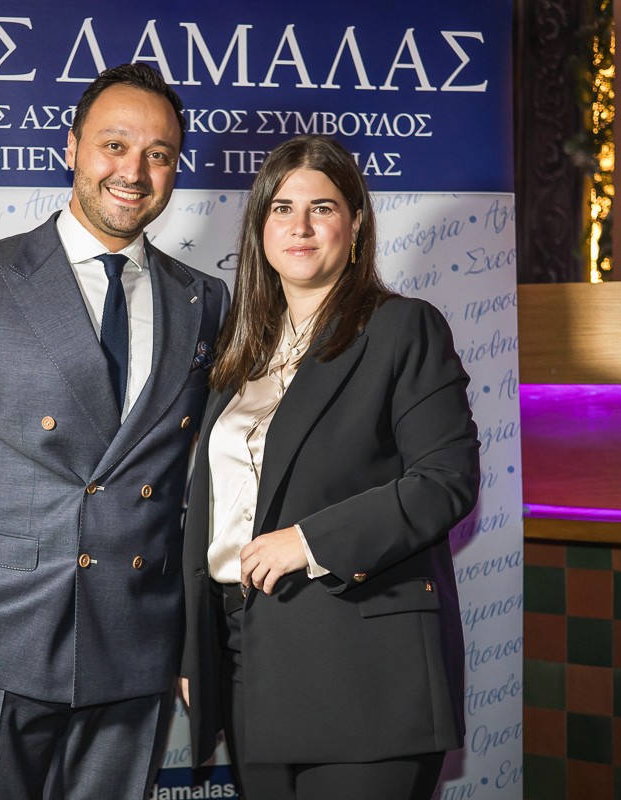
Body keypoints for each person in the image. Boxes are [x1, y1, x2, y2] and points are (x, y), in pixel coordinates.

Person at [0, 63, 229, 800]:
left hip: (133, 647)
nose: (133, 172)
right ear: (72, 147)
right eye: (114, 145)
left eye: (159, 154)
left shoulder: (204, 300)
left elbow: (205, 474)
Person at [180, 135, 481, 800]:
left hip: (365, 671)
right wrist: (194, 646)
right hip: (247, 662)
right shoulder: (240, 350)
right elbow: (215, 512)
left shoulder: (403, 328)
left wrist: (308, 542)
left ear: (356, 224)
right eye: (282, 208)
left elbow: (445, 483)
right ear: (260, 228)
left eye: (322, 208)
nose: (301, 226)